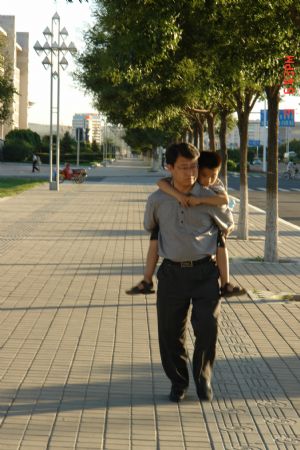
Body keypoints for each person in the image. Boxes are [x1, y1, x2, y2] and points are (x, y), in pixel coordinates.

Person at [143, 142, 234, 402]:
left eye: (194, 166)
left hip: (205, 272)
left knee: (208, 327)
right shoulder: (157, 199)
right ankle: (178, 382)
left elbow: (228, 225)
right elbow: (150, 226)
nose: (190, 173)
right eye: (183, 168)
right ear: (169, 167)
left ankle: (203, 378)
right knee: (170, 333)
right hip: (171, 274)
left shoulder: (209, 194)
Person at [126, 151, 244, 297]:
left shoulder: (214, 188)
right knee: (155, 236)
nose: (208, 180)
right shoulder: (162, 195)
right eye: (204, 175)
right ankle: (147, 279)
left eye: (213, 176)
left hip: (205, 268)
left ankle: (225, 283)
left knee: (221, 240)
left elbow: (224, 200)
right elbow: (160, 183)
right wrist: (179, 196)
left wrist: (200, 201)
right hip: (171, 271)